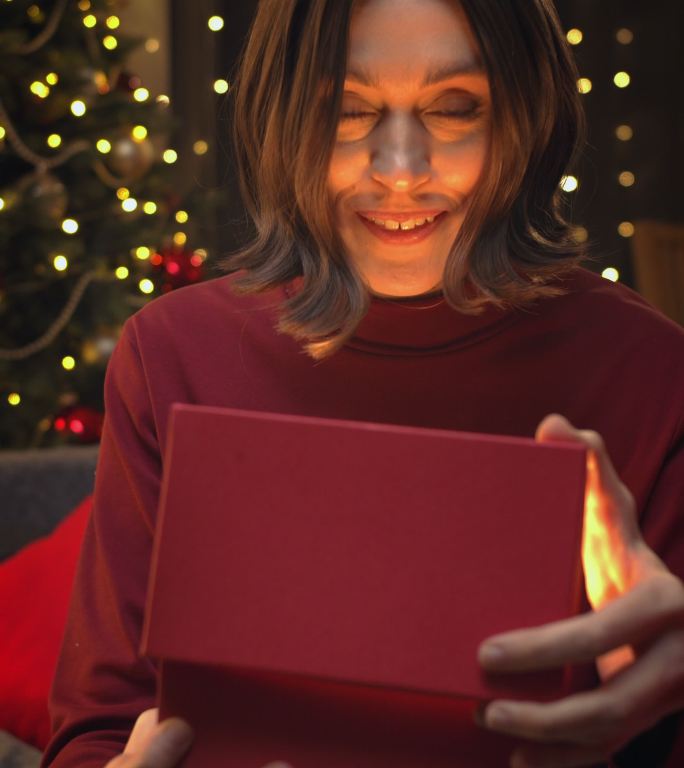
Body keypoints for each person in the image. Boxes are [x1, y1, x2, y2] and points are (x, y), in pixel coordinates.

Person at [42, 0, 684, 767]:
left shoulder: (649, 369)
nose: (402, 173)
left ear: (527, 118)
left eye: (455, 107)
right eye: (346, 109)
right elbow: (95, 733)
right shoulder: (173, 353)